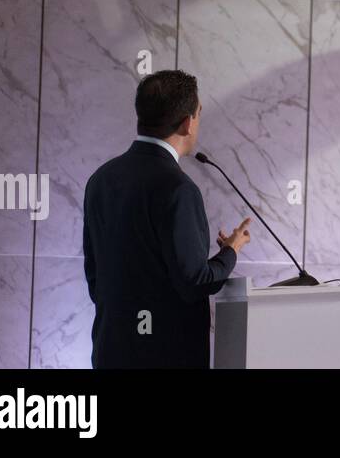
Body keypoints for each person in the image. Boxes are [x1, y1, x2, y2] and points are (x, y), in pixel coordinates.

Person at [82, 70, 251, 368]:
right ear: (187, 123)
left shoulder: (101, 179)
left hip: (111, 351)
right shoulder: (178, 189)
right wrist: (231, 250)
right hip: (164, 356)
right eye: (199, 113)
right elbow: (195, 282)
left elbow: (95, 278)